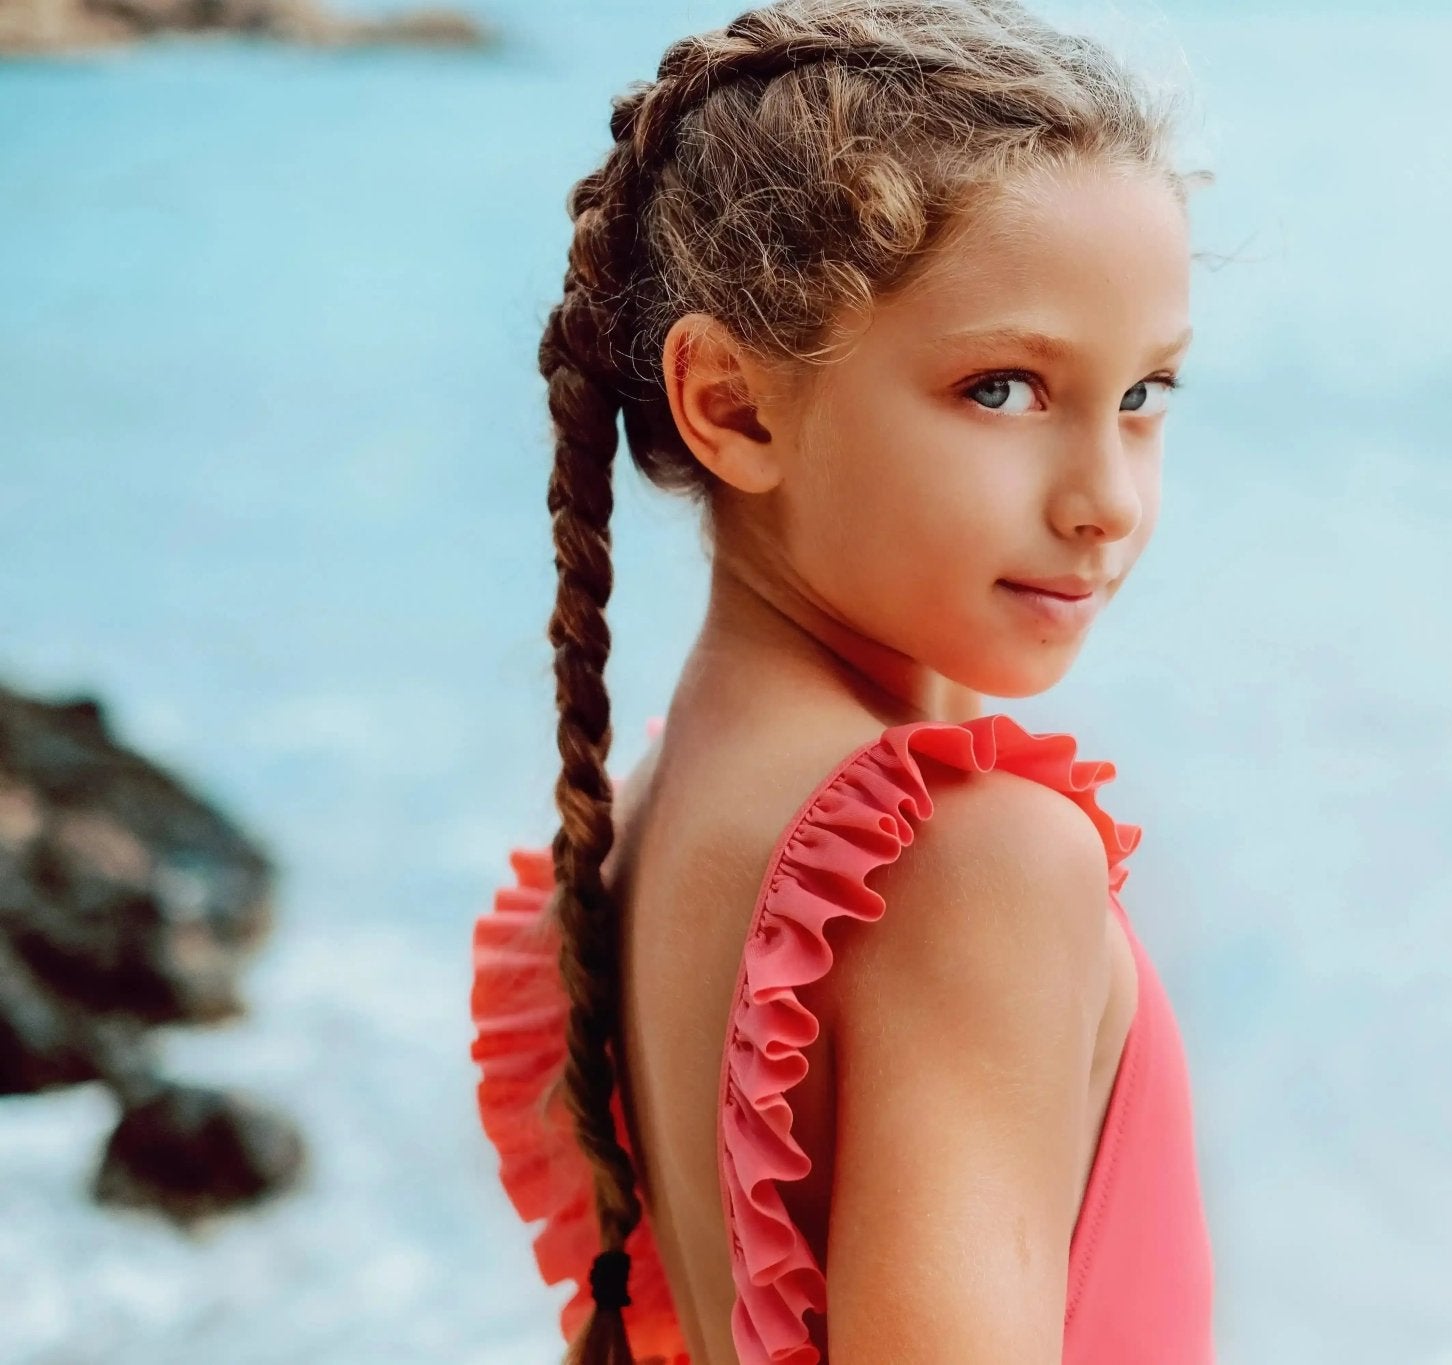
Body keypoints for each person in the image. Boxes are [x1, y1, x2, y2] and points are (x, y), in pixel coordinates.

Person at [468, 1, 1215, 1360]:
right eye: (1003, 388)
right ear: (737, 405)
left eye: (1145, 393)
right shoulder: (971, 864)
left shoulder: (642, 824)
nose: (1108, 498)